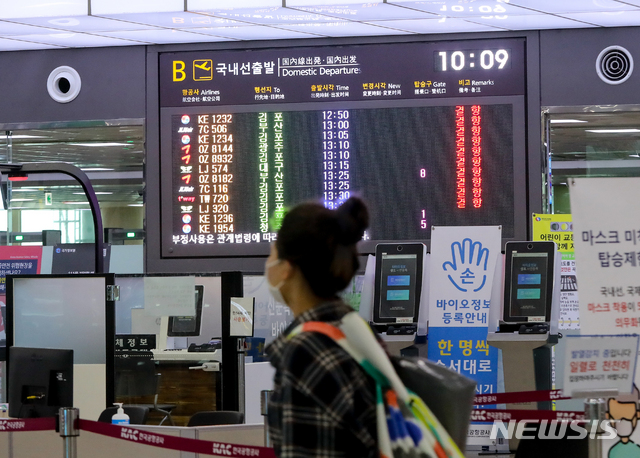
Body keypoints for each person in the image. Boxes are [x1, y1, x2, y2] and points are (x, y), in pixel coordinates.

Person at [264, 197, 377, 458]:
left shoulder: (305, 351)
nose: (267, 263)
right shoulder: (352, 328)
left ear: (286, 268)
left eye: (272, 253)